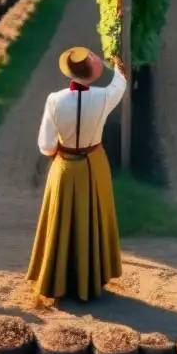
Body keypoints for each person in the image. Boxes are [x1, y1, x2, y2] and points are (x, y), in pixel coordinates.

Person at [26, 46, 127, 301]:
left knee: (61, 221)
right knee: (94, 219)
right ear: (92, 72)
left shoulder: (54, 99)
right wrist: (119, 66)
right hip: (95, 164)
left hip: (65, 166)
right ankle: (93, 276)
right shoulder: (104, 97)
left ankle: (58, 278)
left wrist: (61, 149)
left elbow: (46, 145)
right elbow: (120, 85)